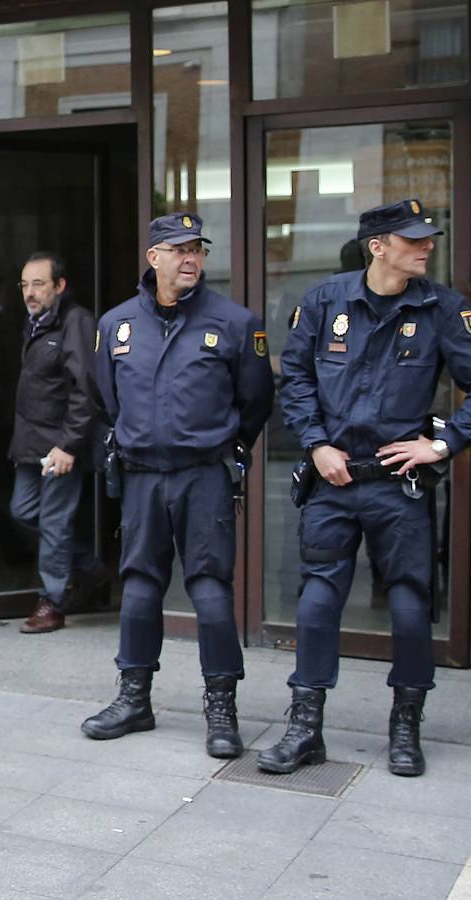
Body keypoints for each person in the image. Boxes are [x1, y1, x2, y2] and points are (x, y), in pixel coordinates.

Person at [268, 199, 471, 778]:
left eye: (429, 238)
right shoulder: (326, 301)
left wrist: (442, 443)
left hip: (397, 487)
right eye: (414, 238)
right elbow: (295, 377)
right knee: (319, 602)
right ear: (379, 246)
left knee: (407, 607)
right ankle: (305, 728)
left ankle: (406, 727)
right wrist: (316, 444)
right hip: (333, 478)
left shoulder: (443, 307)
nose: (427, 246)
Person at [80, 214, 272, 759]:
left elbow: (256, 402)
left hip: (204, 475)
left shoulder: (235, 323)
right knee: (139, 587)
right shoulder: (116, 324)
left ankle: (222, 710)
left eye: (197, 249)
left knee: (210, 592)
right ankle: (134, 699)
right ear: (153, 258)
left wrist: (222, 449)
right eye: (177, 249)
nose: (190, 258)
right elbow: (107, 400)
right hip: (142, 477)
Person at [6, 251, 101, 634]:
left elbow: (86, 390)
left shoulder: (74, 322)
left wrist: (68, 446)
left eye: (38, 284)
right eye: (25, 285)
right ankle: (90, 568)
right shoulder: (34, 325)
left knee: (56, 521)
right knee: (23, 510)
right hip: (31, 444)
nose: (30, 293)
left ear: (59, 286)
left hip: (60, 446)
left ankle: (53, 601)